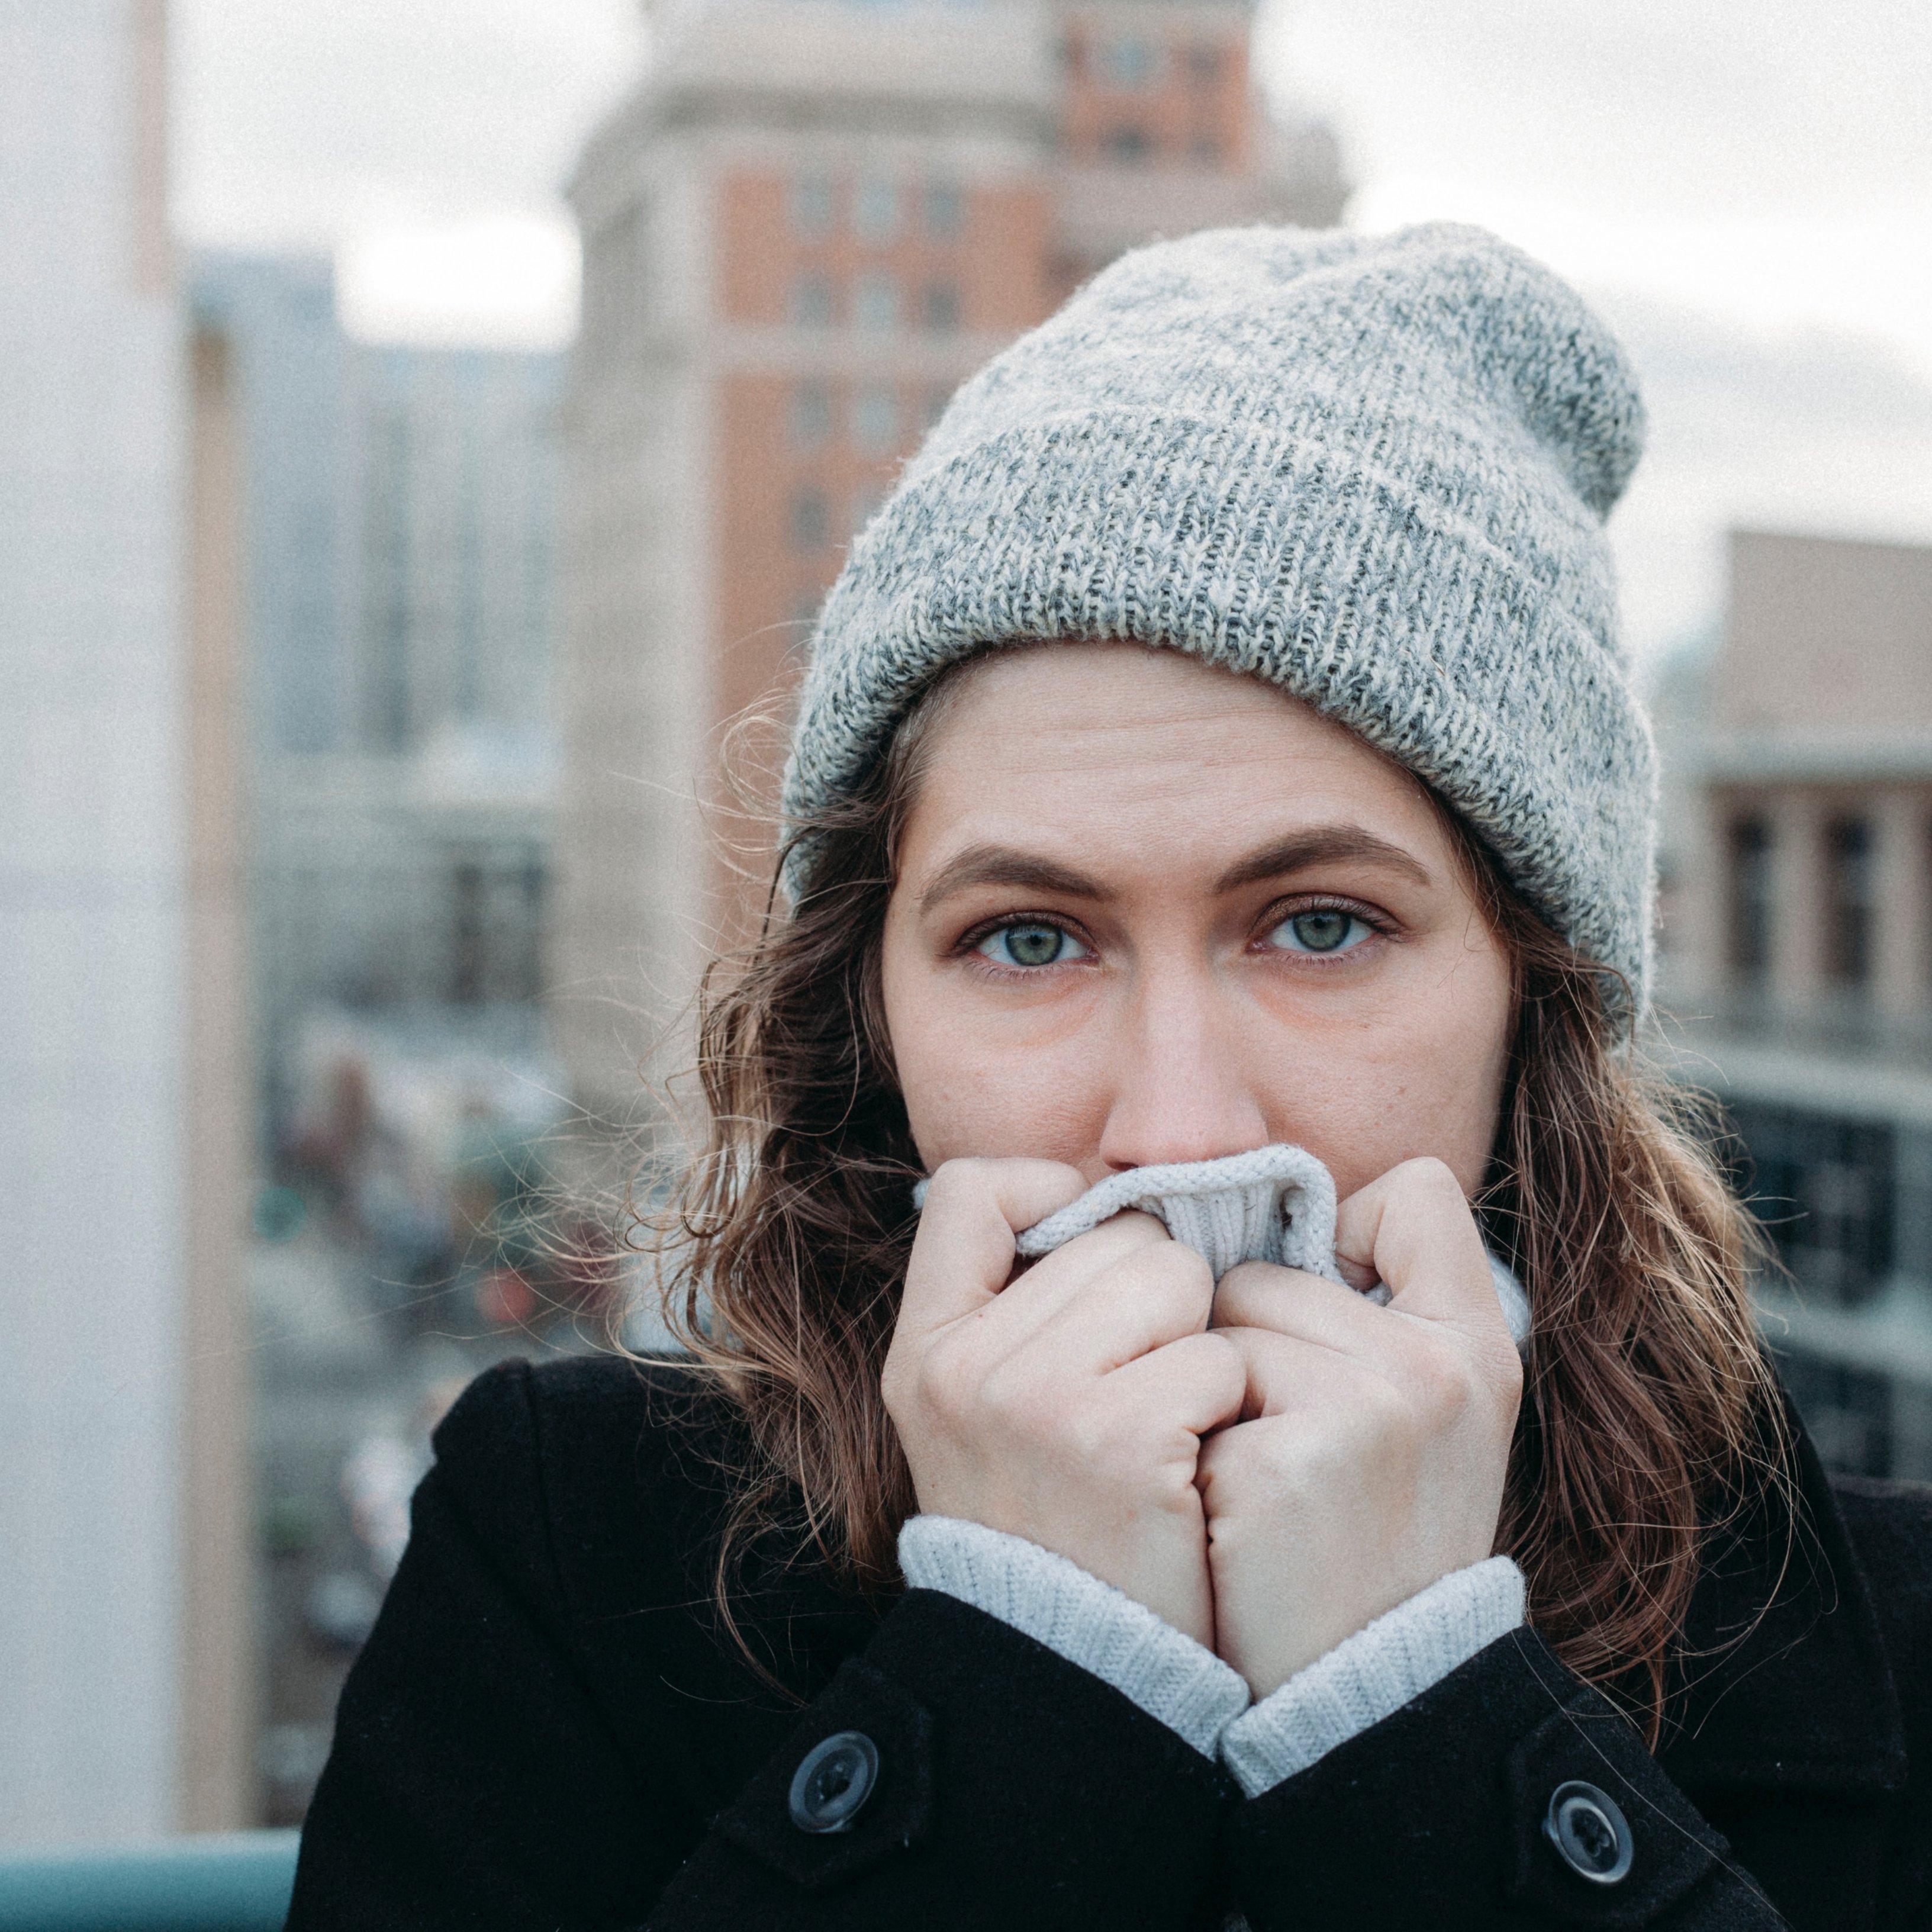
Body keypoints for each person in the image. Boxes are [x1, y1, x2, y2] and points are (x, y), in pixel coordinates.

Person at [286, 226, 1932, 1932]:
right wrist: (1027, 1675)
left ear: (1538, 994)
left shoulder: (1882, 1627)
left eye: (1318, 925)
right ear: (870, 1012)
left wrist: (1424, 1712)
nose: (1176, 1127)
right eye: (1029, 941)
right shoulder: (569, 1554)